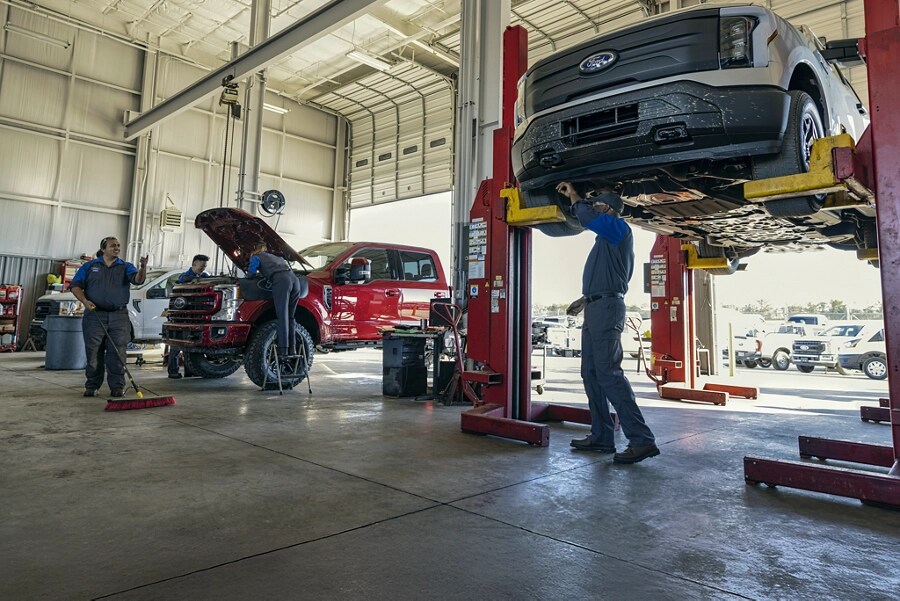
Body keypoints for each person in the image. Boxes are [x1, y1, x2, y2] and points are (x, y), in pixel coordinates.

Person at [556, 181, 659, 464]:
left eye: (597, 205)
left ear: (609, 209)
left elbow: (587, 217)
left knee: (609, 375)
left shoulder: (619, 230)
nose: (592, 210)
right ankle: (602, 436)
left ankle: (642, 440)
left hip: (607, 310)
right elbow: (606, 277)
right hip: (596, 307)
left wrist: (576, 196)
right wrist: (585, 299)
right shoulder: (605, 241)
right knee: (590, 374)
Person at [70, 237, 147, 397]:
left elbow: (138, 280)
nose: (117, 248)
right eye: (113, 246)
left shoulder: (125, 266)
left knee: (118, 352)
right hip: (94, 316)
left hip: (119, 316)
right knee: (93, 352)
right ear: (103, 249)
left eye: (118, 245)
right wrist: (84, 301)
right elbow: (75, 285)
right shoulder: (90, 266)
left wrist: (143, 267)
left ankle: (117, 387)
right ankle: (92, 385)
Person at [247, 242, 304, 357]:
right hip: (295, 280)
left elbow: (251, 273)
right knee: (290, 316)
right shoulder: (277, 257)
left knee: (282, 315)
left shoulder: (256, 257)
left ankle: (282, 350)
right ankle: (292, 349)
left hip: (282, 281)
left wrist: (250, 275)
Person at [167, 254, 210, 379]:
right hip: (181, 315)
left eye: (205, 266)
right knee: (176, 346)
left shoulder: (205, 277)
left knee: (191, 345)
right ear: (194, 264)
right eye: (201, 266)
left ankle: (190, 371)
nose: (203, 268)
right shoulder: (184, 277)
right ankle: (173, 371)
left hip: (196, 315)